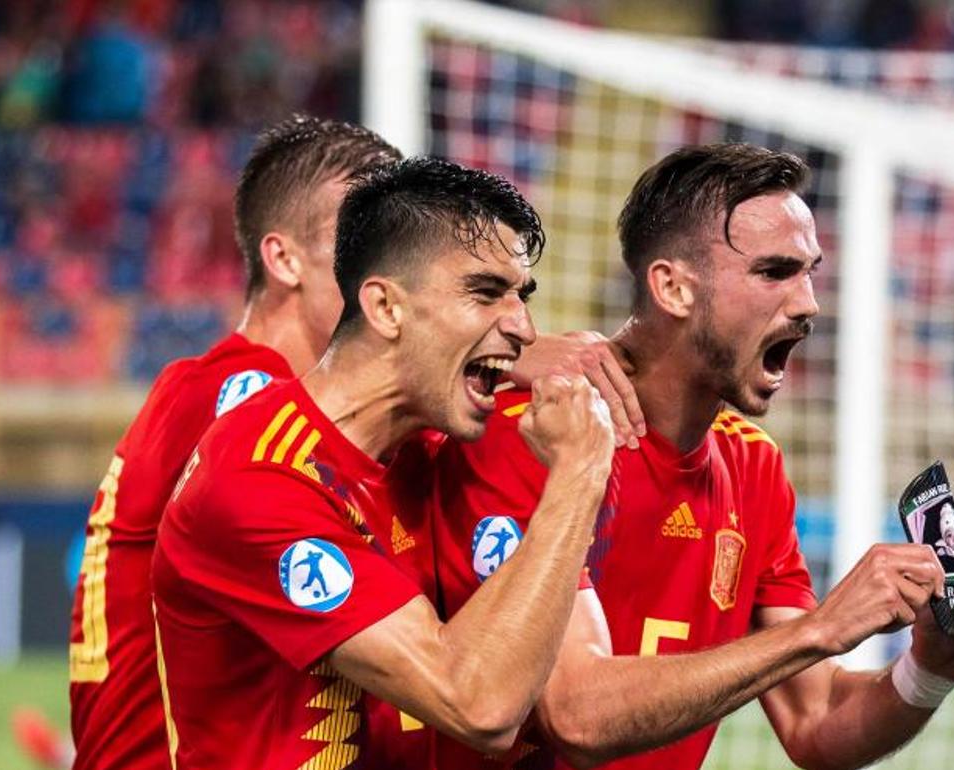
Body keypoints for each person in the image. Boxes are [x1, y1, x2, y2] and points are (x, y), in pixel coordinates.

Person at [423, 144, 954, 769]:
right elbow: (578, 715)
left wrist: (928, 671)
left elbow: (815, 722)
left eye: (810, 271)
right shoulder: (531, 433)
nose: (808, 303)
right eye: (774, 272)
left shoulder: (753, 466)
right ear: (672, 287)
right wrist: (819, 629)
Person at [150, 157, 617, 768]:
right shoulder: (257, 476)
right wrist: (577, 474)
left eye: (521, 296)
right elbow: (479, 707)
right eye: (485, 292)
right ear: (386, 307)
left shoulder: (427, 453)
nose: (525, 328)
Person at [66, 114, 402, 770]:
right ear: (283, 259)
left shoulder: (217, 391)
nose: (385, 270)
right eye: (359, 239)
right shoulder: (244, 399)